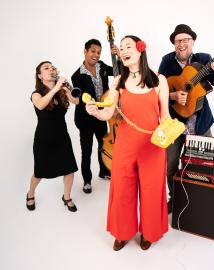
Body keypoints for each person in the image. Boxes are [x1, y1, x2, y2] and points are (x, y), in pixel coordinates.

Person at [85, 35, 169, 251]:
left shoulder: (159, 80)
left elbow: (166, 116)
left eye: (128, 46)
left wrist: (168, 132)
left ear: (141, 49)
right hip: (125, 145)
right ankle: (123, 232)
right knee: (122, 190)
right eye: (121, 48)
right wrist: (96, 111)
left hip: (153, 146)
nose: (123, 51)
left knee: (151, 191)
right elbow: (109, 113)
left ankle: (148, 233)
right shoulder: (118, 81)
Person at [158, 24, 214, 214]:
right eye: (178, 41)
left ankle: (213, 199)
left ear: (193, 42)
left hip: (200, 124)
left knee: (210, 165)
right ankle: (174, 199)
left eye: (185, 40)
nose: (181, 44)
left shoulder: (204, 60)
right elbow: (159, 89)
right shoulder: (167, 61)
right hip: (174, 124)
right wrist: (174, 97)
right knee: (171, 166)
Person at [26, 61, 79, 212]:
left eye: (52, 67)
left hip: (62, 137)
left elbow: (76, 101)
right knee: (39, 172)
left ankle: (67, 197)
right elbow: (41, 105)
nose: (51, 69)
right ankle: (30, 194)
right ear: (40, 76)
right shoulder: (36, 94)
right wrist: (56, 88)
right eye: (46, 68)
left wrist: (67, 90)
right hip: (44, 139)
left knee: (69, 169)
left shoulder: (61, 91)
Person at [71, 39, 119, 194]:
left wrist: (117, 56)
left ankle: (104, 171)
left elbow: (119, 72)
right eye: (93, 51)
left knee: (103, 144)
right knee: (87, 150)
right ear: (85, 51)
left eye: (99, 52)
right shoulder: (77, 76)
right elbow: (78, 98)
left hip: (102, 114)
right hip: (85, 119)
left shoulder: (102, 66)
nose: (96, 55)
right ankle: (86, 180)